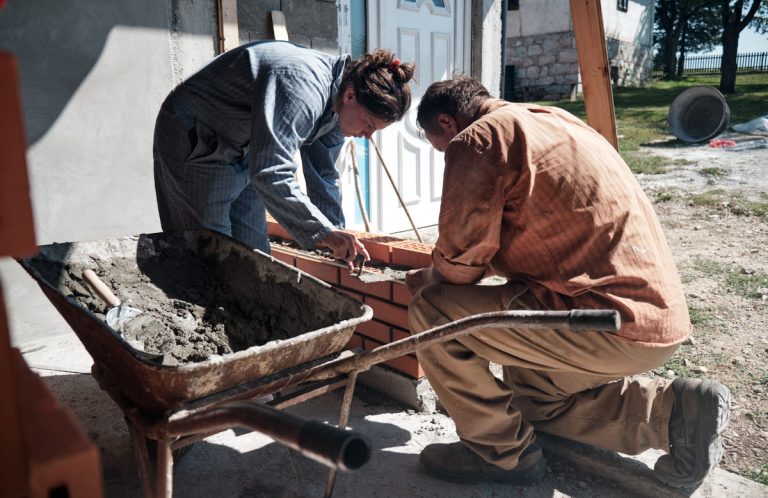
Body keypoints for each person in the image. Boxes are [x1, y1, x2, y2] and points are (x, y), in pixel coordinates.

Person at [406, 76, 731, 488]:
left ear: (448, 124)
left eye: (440, 148)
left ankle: (500, 454)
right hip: (651, 322)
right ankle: (675, 414)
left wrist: (429, 276)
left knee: (431, 310)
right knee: (533, 402)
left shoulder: (478, 138)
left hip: (602, 322)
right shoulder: (556, 120)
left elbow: (460, 262)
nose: (446, 156)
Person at [153, 42, 415, 267]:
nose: (367, 136)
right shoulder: (302, 87)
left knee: (253, 255)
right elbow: (270, 172)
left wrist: (336, 235)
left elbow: (324, 176)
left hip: (245, 147)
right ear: (350, 95)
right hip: (197, 133)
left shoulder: (339, 109)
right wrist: (322, 233)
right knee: (208, 253)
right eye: (369, 125)